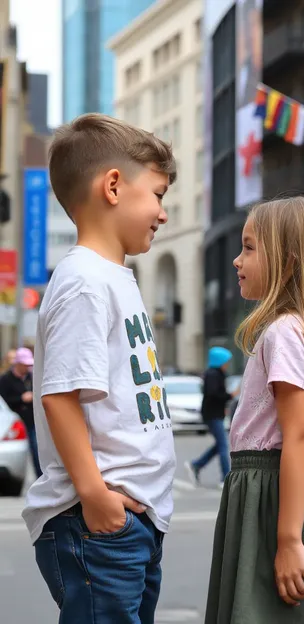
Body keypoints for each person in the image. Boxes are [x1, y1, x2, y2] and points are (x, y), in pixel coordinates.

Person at [22, 114, 177, 624]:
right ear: (113, 185)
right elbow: (60, 396)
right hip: (98, 521)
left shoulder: (112, 277)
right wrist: (95, 497)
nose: (163, 213)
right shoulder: (85, 282)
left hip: (129, 520)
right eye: (158, 195)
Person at [205, 197, 304, 624]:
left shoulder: (283, 332)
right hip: (299, 492)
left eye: (250, 247)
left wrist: (287, 539)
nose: (238, 260)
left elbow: (297, 434)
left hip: (277, 495)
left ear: (289, 261)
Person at [185, 347, 237, 488]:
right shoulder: (213, 374)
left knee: (221, 444)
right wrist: (229, 396)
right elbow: (214, 394)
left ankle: (196, 465)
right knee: (223, 445)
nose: (227, 364)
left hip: (215, 413)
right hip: (212, 414)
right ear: (220, 361)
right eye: (226, 361)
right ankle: (226, 477)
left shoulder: (217, 373)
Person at [0, 347, 41, 478]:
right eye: (25, 364)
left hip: (31, 420)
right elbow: (4, 400)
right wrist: (21, 399)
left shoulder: (32, 377)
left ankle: (40, 477)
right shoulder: (6, 379)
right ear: (17, 363)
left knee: (37, 450)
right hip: (14, 422)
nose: (27, 367)